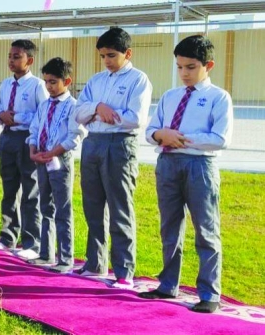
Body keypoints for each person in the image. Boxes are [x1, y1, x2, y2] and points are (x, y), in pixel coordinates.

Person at [138, 35, 232, 314]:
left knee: (206, 230)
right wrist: (159, 135)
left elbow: (220, 138)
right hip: (167, 165)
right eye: (179, 67)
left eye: (191, 67)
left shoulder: (218, 97)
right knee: (169, 227)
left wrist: (180, 138)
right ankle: (168, 285)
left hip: (199, 166)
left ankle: (209, 292)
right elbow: (150, 131)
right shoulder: (170, 96)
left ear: (208, 65)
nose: (184, 73)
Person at [72, 27, 152, 289]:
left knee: (120, 208)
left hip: (119, 146)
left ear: (127, 53)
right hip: (92, 144)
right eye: (103, 55)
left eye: (112, 55)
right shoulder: (96, 81)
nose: (106, 60)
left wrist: (105, 113)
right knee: (93, 206)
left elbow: (134, 118)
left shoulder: (138, 80)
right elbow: (78, 112)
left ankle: (123, 271)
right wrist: (97, 108)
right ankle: (95, 263)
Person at [27, 57, 84, 273]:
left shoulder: (73, 107)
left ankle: (65, 257)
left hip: (60, 162)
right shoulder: (44, 105)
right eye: (46, 82)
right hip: (42, 160)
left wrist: (53, 152)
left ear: (67, 81)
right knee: (45, 207)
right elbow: (34, 129)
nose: (49, 86)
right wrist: (33, 150)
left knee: (63, 208)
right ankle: (45, 253)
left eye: (53, 82)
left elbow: (74, 136)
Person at [0, 40, 48, 259]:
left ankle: (31, 241)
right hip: (7, 138)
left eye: (17, 56)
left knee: (30, 190)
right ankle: (7, 236)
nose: (11, 60)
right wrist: (1, 116)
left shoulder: (37, 85)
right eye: (10, 56)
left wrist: (17, 117)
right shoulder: (6, 84)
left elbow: (42, 114)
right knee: (9, 189)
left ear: (30, 60)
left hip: (27, 139)